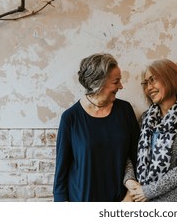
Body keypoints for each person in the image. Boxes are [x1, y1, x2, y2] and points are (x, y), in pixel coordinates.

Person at [53, 53, 139, 202]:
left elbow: (137, 157)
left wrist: (130, 196)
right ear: (98, 83)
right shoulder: (71, 118)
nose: (121, 86)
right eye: (116, 81)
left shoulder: (125, 111)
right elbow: (61, 172)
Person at [125, 59, 177, 202]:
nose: (149, 88)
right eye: (146, 83)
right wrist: (129, 180)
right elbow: (131, 154)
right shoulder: (145, 119)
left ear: (170, 78)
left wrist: (148, 191)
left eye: (153, 80)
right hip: (145, 200)